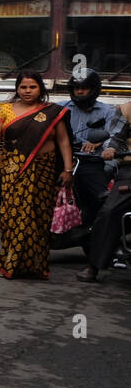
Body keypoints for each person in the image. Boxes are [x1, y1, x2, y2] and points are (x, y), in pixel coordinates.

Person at [0, 70, 74, 280]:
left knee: (38, 218)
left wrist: (67, 169)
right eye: (23, 87)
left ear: (40, 89)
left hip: (43, 172)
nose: (27, 91)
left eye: (32, 87)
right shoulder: (6, 111)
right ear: (17, 89)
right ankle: (10, 263)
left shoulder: (53, 112)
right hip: (12, 170)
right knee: (11, 217)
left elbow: (63, 142)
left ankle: (37, 266)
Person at [63, 69, 124, 226]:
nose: (80, 91)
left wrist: (98, 143)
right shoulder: (60, 109)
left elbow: (113, 136)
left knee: (101, 196)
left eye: (85, 87)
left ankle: (93, 226)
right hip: (64, 159)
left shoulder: (109, 111)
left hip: (92, 161)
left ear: (94, 89)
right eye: (76, 88)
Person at [80, 99, 131, 281]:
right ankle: (94, 265)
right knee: (109, 211)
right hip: (129, 171)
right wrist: (110, 149)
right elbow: (116, 136)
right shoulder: (127, 109)